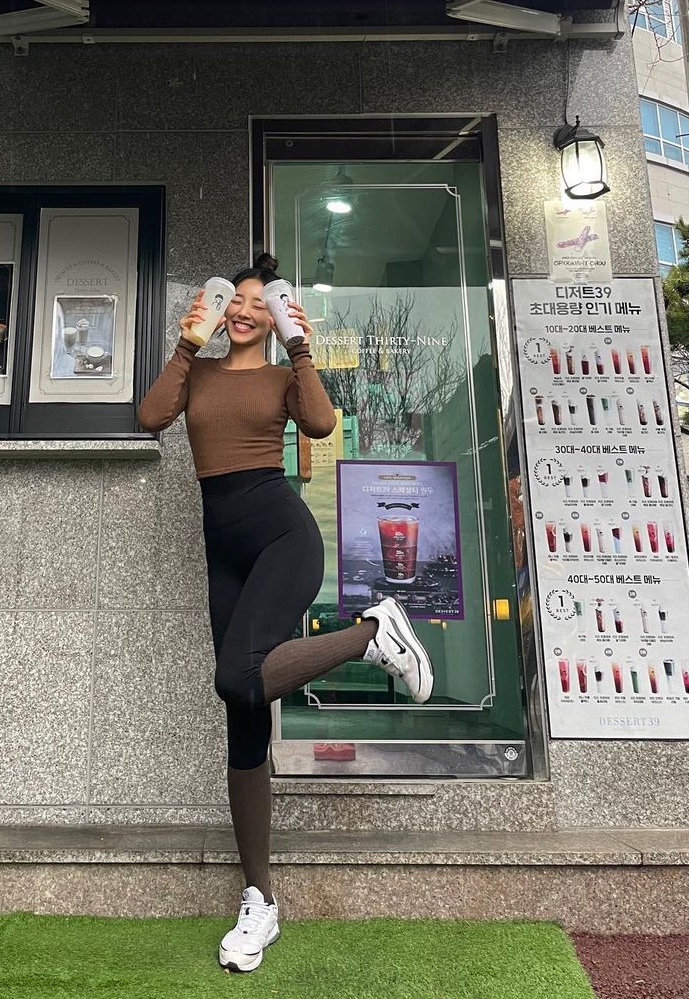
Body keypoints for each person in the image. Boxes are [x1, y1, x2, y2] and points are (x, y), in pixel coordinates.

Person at [138, 252, 434, 973]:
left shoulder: (280, 375)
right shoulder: (199, 371)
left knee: (236, 679)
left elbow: (322, 422)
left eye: (258, 304)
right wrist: (186, 343)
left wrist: (301, 347)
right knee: (244, 718)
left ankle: (371, 635)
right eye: (233, 302)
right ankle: (259, 901)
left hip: (281, 537)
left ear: (273, 318)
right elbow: (150, 416)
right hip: (224, 553)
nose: (244, 311)